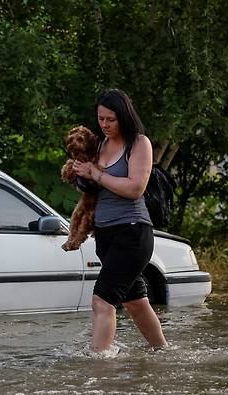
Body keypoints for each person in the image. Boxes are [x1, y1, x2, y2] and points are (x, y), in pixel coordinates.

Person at [71, 89, 167, 353]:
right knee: (136, 301)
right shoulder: (99, 145)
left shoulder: (139, 143)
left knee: (102, 301)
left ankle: (99, 365)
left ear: (123, 116)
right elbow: (95, 189)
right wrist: (82, 176)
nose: (104, 125)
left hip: (133, 233)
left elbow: (135, 188)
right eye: (100, 119)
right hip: (105, 234)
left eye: (110, 119)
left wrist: (96, 174)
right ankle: (163, 353)